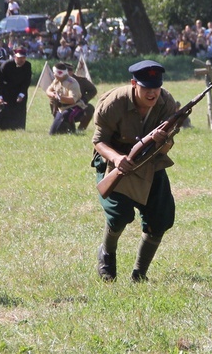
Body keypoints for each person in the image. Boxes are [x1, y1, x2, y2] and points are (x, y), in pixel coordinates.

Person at [91, 60, 177, 282]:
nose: (152, 93)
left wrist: (162, 140)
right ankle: (107, 253)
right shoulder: (114, 102)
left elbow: (169, 145)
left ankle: (140, 273)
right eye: (146, 88)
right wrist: (117, 158)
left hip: (150, 163)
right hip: (116, 162)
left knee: (160, 219)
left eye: (155, 88)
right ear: (133, 84)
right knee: (119, 216)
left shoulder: (167, 103)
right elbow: (99, 141)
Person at [0, 47, 32, 131]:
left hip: (20, 91)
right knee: (2, 110)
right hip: (5, 91)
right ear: (15, 57)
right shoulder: (6, 65)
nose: (21, 60)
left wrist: (21, 94)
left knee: (19, 111)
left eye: (23, 58)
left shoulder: (28, 65)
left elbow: (27, 81)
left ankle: (17, 128)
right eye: (19, 58)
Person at [46, 62, 86, 135]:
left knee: (65, 115)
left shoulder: (72, 83)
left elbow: (72, 100)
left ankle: (72, 129)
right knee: (52, 133)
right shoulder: (56, 80)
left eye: (54, 73)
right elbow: (48, 90)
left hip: (75, 107)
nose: (53, 74)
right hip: (62, 108)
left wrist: (60, 98)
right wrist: (53, 94)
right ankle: (70, 130)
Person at [65, 63, 97, 131]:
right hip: (63, 108)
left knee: (89, 108)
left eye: (68, 71)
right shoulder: (57, 81)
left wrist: (84, 99)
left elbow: (93, 90)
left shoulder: (81, 81)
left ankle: (81, 129)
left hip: (77, 106)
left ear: (71, 72)